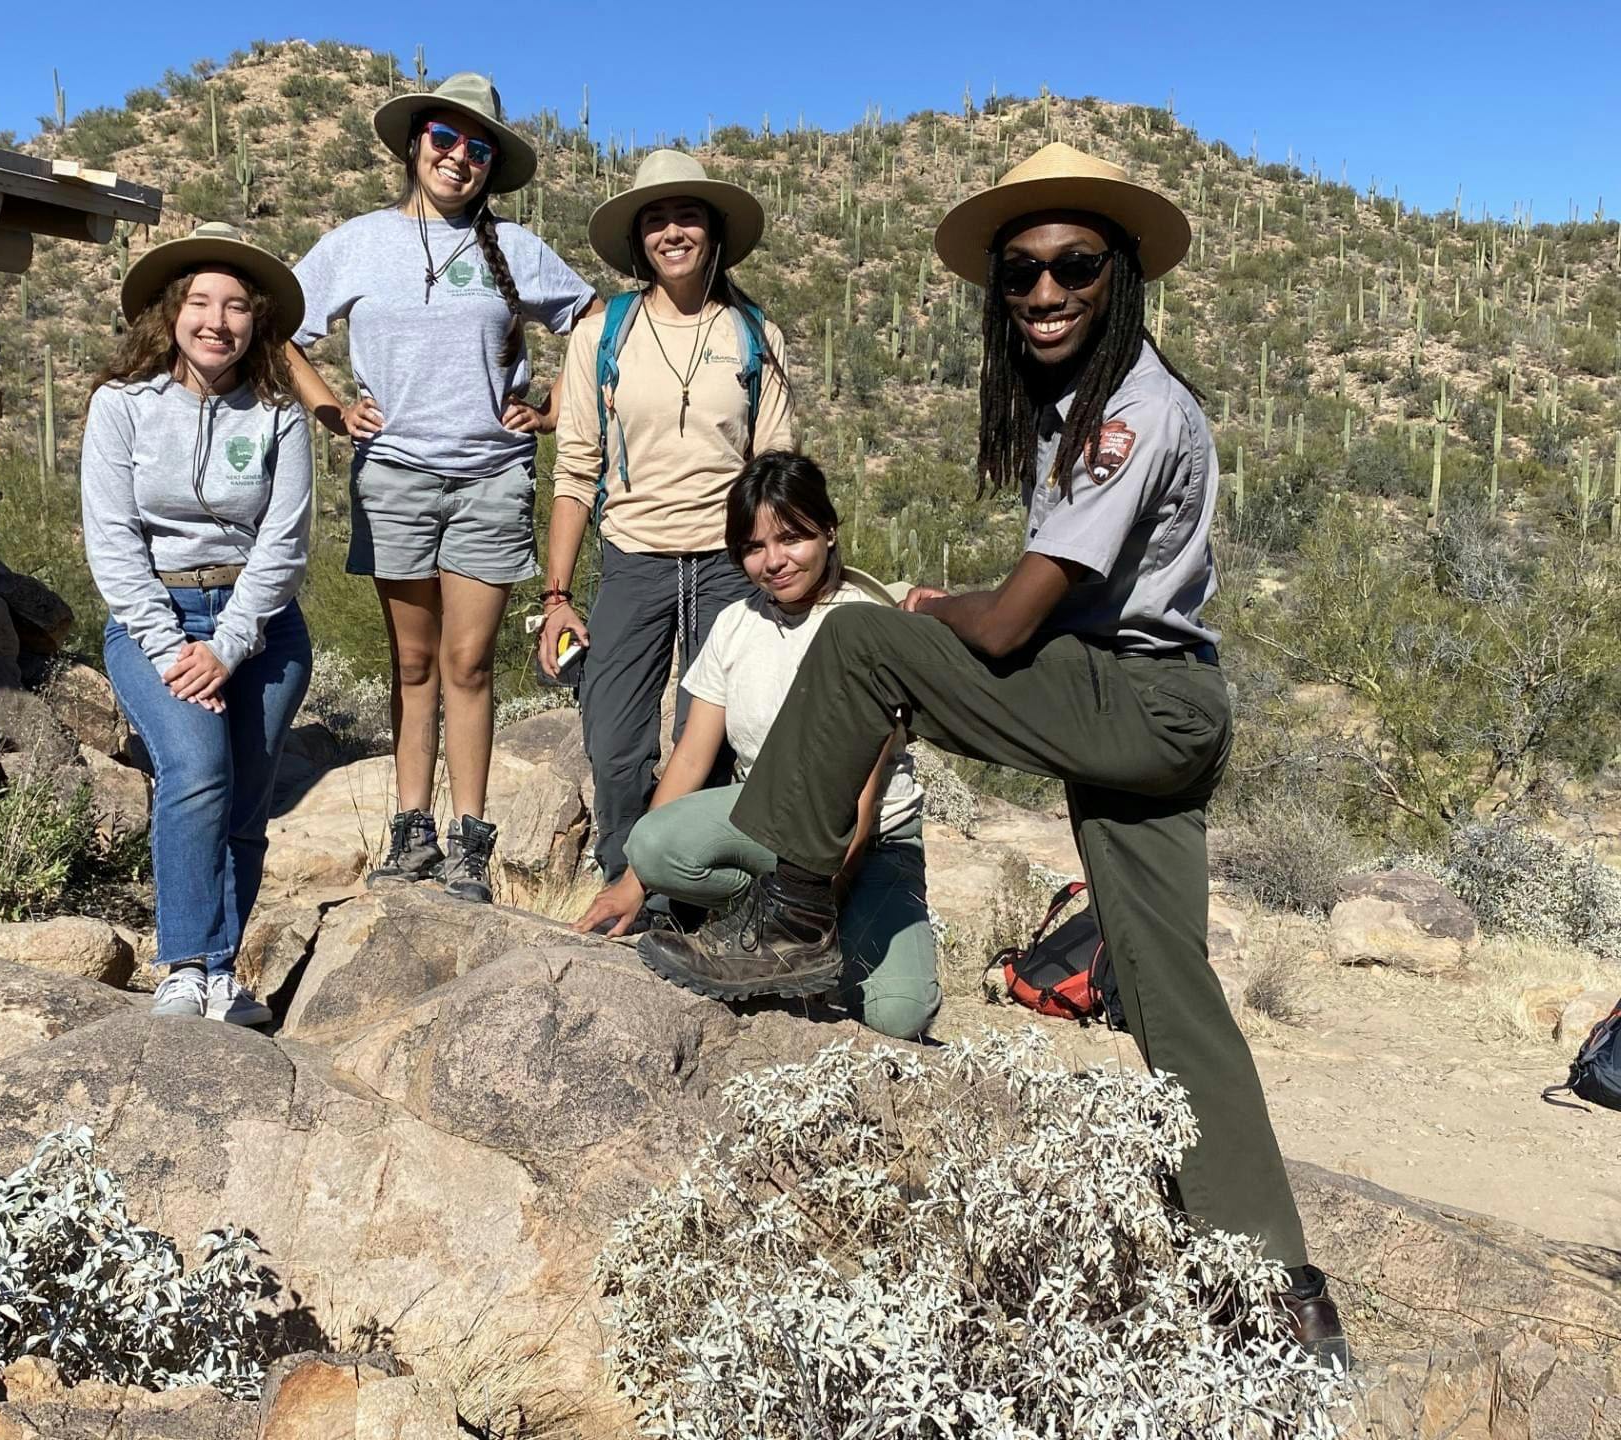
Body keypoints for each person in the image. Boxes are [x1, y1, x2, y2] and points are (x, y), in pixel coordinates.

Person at [635, 143, 1351, 1367]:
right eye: (1020, 274)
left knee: (863, 642)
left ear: (1120, 272)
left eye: (1074, 265)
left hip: (1135, 701)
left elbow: (1016, 620)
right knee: (1171, 992)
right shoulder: (1088, 407)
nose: (1045, 291)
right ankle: (1279, 1287)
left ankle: (797, 911)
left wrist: (931, 605)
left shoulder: (1129, 409)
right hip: (1150, 708)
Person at [286, 72, 599, 904]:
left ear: (492, 163)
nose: (459, 156)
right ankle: (410, 830)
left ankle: (470, 841)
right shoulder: (357, 242)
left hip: (492, 477)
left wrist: (549, 406)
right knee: (412, 661)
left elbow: (593, 317)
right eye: (446, 139)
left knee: (468, 662)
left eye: (478, 147)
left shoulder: (519, 250)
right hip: (393, 476)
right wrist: (328, 408)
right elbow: (279, 326)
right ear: (415, 145)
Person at [576, 452, 939, 1039]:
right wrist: (633, 882)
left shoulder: (867, 623)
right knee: (655, 844)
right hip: (766, 822)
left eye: (791, 538)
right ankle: (765, 915)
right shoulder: (735, 624)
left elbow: (863, 804)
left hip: (870, 847)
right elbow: (693, 756)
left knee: (900, 1014)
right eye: (753, 546)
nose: (773, 562)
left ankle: (798, 933)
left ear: (828, 530)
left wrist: (815, 915)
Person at [544, 150, 795, 909]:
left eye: (686, 215)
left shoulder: (755, 335)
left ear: (714, 232)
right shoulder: (601, 336)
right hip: (634, 559)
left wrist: (785, 576)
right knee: (615, 744)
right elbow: (574, 470)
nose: (672, 231)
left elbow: (775, 468)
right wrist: (556, 595)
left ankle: (678, 900)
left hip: (726, 567)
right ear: (638, 239)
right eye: (655, 218)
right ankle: (623, 874)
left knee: (708, 742)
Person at [82, 221, 312, 1025]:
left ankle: (222, 977)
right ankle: (187, 963)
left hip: (262, 625)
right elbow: (112, 542)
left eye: (238, 305)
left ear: (258, 322)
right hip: (158, 617)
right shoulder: (122, 407)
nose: (218, 320)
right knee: (196, 771)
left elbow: (284, 543)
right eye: (202, 301)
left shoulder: (280, 415)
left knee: (247, 804)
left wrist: (230, 644)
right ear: (172, 312)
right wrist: (176, 647)